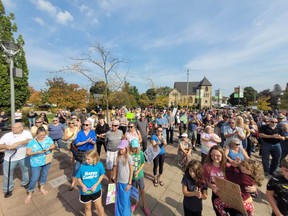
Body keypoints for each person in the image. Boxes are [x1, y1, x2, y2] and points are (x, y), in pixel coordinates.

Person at [0, 122, 32, 198]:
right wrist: (7, 146)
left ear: (21, 128)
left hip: (24, 157)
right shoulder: (7, 135)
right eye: (12, 127)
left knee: (26, 171)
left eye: (16, 127)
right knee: (7, 174)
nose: (13, 129)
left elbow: (30, 140)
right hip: (9, 158)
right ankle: (8, 189)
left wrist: (18, 143)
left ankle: (25, 182)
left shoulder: (26, 133)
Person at [25, 126, 55, 203]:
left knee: (44, 174)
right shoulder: (32, 142)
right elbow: (28, 153)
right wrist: (37, 152)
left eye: (44, 135)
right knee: (34, 178)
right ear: (36, 134)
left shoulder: (48, 139)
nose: (42, 137)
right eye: (40, 135)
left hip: (46, 160)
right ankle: (30, 193)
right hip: (36, 162)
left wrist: (48, 148)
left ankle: (41, 188)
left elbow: (53, 146)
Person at [76, 150, 105, 216]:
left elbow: (102, 175)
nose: (86, 161)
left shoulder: (99, 165)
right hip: (85, 192)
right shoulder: (82, 166)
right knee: (87, 208)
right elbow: (78, 178)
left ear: (94, 158)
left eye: (88, 159)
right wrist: (82, 185)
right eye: (86, 159)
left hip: (96, 190)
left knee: (99, 207)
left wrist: (96, 184)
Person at [70, 120, 96, 191]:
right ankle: (73, 182)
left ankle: (87, 183)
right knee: (76, 168)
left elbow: (94, 142)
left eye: (87, 125)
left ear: (90, 126)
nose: (85, 126)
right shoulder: (80, 133)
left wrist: (91, 142)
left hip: (89, 153)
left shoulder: (92, 132)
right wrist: (86, 141)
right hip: (81, 152)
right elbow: (77, 143)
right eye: (84, 124)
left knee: (88, 168)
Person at [203, 145, 227, 216]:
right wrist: (210, 186)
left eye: (218, 155)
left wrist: (254, 186)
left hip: (228, 196)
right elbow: (205, 180)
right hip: (216, 195)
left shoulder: (227, 166)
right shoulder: (207, 166)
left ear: (222, 155)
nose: (215, 157)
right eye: (212, 155)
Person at [130, 139, 151, 216]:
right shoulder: (129, 154)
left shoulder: (141, 153)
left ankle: (145, 206)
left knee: (142, 190)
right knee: (135, 191)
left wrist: (138, 171)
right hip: (132, 177)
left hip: (140, 176)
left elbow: (143, 163)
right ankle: (136, 203)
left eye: (136, 147)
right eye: (133, 147)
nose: (135, 149)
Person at [114, 140, 133, 216]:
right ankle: (118, 213)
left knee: (125, 200)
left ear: (126, 148)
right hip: (119, 181)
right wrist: (115, 178)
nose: (120, 150)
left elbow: (131, 170)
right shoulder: (118, 156)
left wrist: (130, 183)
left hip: (126, 182)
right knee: (119, 199)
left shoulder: (129, 157)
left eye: (122, 149)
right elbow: (117, 167)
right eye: (120, 149)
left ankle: (126, 214)